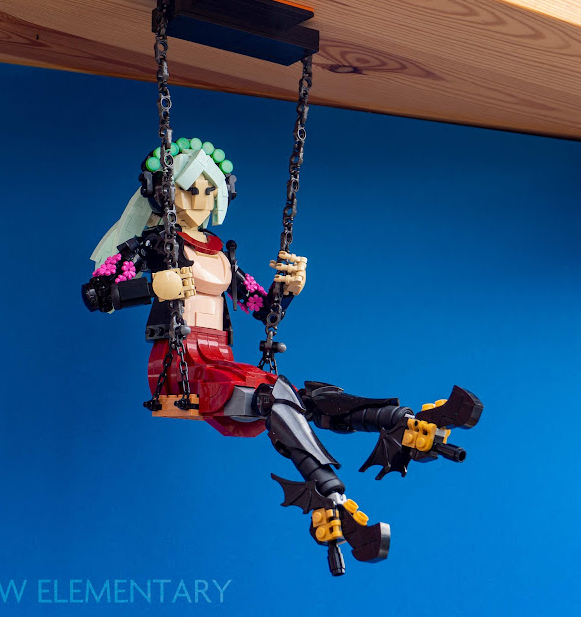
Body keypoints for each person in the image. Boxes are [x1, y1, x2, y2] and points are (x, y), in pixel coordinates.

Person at [82, 138, 483, 573]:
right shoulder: (154, 245)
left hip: (222, 363)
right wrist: (151, 287)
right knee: (275, 395)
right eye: (189, 189)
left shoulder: (220, 254)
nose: (200, 200)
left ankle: (400, 421)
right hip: (182, 369)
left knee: (301, 397)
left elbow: (262, 308)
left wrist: (288, 289)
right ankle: (332, 494)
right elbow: (97, 293)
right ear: (164, 191)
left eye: (209, 190)